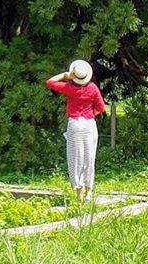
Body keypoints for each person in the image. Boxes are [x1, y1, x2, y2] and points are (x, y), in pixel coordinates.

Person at [45, 59, 106, 201]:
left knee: (75, 158)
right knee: (89, 158)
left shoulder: (70, 89)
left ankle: (78, 192)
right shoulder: (93, 88)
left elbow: (50, 82)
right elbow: (101, 108)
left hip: (74, 125)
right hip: (89, 124)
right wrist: (90, 114)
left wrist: (66, 75)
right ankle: (89, 191)